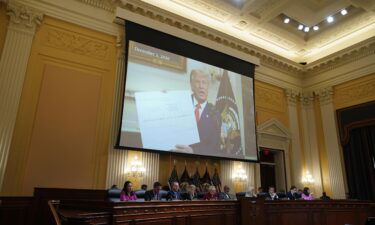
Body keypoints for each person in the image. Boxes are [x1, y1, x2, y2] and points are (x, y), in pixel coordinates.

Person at [174, 70, 221, 156]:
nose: (201, 86)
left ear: (208, 87)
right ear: (192, 86)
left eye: (204, 83)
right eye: (197, 82)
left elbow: (214, 146)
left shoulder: (215, 114)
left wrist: (193, 151)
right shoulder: (179, 104)